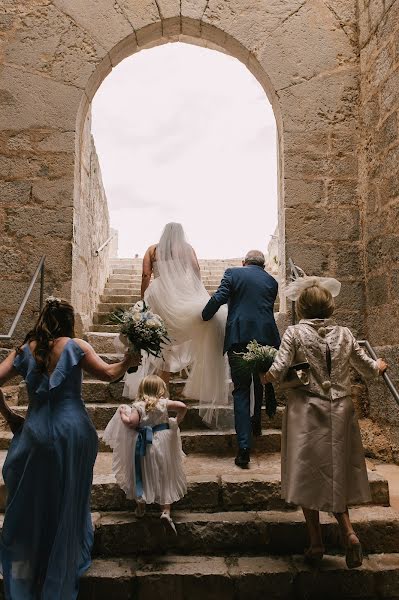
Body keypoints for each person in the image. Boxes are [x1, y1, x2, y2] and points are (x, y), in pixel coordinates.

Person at [0, 297, 140, 599]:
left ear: (43, 318)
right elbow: (108, 374)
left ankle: (31, 564)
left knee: (34, 501)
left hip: (35, 434)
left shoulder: (25, 349)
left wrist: (9, 415)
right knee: (68, 496)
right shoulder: (76, 346)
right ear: (69, 320)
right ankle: (59, 560)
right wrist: (129, 360)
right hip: (72, 432)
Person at [260, 277, 388, 569]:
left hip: (306, 409)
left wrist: (261, 374)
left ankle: (316, 542)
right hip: (340, 409)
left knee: (308, 473)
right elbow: (368, 369)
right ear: (329, 305)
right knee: (336, 470)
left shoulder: (294, 333)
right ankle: (349, 533)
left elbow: (277, 371)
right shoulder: (345, 332)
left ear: (302, 307)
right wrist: (379, 365)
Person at [124, 223, 231, 427]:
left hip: (158, 295)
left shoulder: (152, 249)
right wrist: (195, 293)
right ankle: (180, 390)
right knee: (193, 331)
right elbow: (196, 271)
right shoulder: (187, 249)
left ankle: (161, 395)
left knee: (161, 342)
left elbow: (146, 275)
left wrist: (143, 300)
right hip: (180, 293)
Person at [202, 249, 280, 468]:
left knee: (242, 391)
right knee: (261, 378)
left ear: (244, 262)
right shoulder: (272, 282)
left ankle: (244, 448)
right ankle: (256, 424)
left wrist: (204, 315)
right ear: (263, 266)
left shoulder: (233, 273)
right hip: (267, 338)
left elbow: (219, 297)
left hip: (240, 337)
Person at [103, 374, 187, 534]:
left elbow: (131, 423)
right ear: (161, 389)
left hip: (144, 447)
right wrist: (176, 420)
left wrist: (122, 414)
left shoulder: (139, 406)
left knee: (141, 472)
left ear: (142, 389)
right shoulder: (164, 403)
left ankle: (141, 507)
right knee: (164, 476)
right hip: (162, 444)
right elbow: (182, 406)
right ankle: (165, 512)